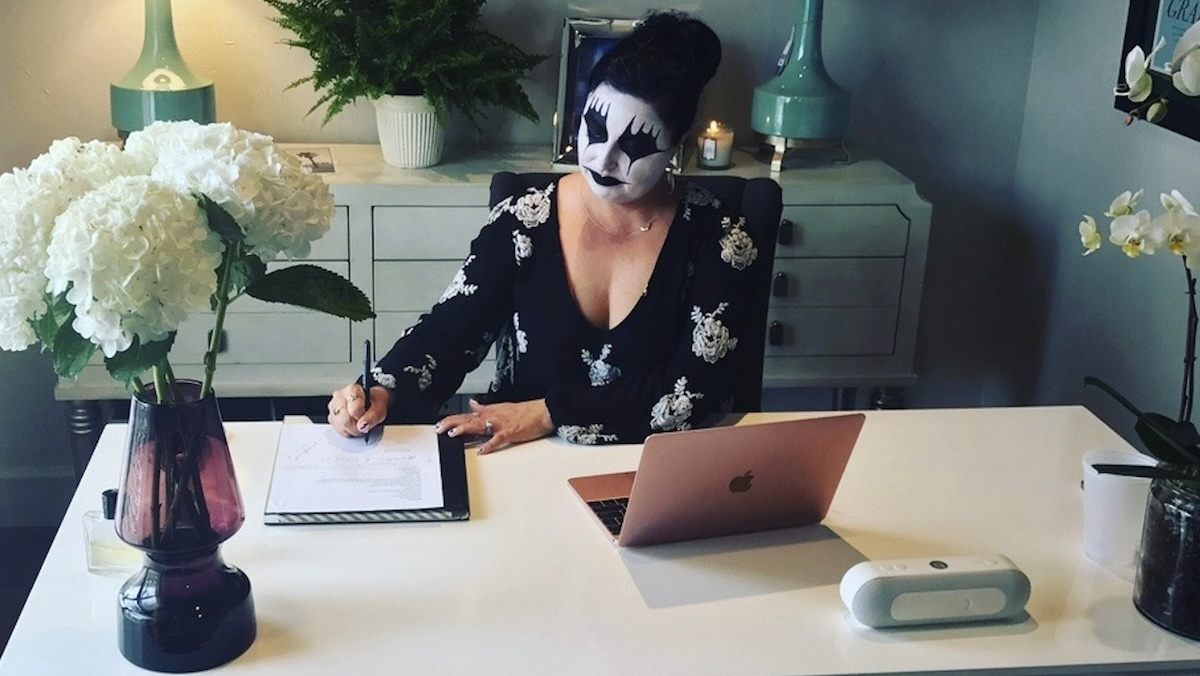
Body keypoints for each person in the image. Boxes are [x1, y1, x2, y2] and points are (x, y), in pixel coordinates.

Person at [328, 10, 762, 453]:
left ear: (678, 141)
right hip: (519, 462)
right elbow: (450, 332)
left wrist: (548, 412)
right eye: (594, 128)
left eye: (633, 145)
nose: (602, 159)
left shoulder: (722, 239)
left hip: (657, 472)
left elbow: (693, 390)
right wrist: (381, 393)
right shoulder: (525, 219)